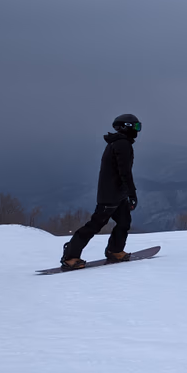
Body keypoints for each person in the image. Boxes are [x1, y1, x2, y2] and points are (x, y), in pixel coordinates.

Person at [60, 114, 142, 270]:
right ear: (126, 127)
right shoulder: (122, 144)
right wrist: (132, 193)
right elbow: (124, 172)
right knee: (95, 225)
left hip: (118, 193)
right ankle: (70, 257)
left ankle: (115, 250)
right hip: (111, 195)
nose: (138, 130)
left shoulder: (118, 143)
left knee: (124, 222)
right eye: (136, 127)